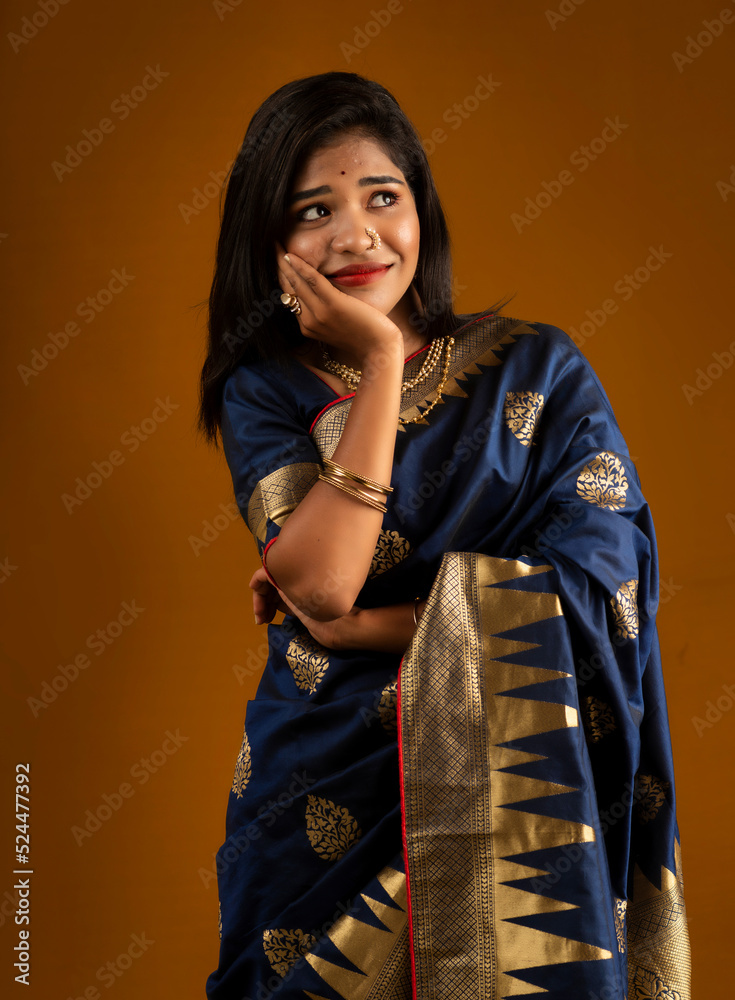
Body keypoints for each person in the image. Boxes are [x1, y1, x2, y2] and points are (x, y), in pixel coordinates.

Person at [198, 71, 690, 1000]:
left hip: (526, 792)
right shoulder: (265, 391)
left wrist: (372, 630)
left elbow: (604, 585)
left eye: (383, 197)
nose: (356, 234)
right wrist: (382, 359)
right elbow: (326, 586)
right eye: (314, 211)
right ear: (269, 243)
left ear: (420, 208)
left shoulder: (540, 372)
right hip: (324, 793)